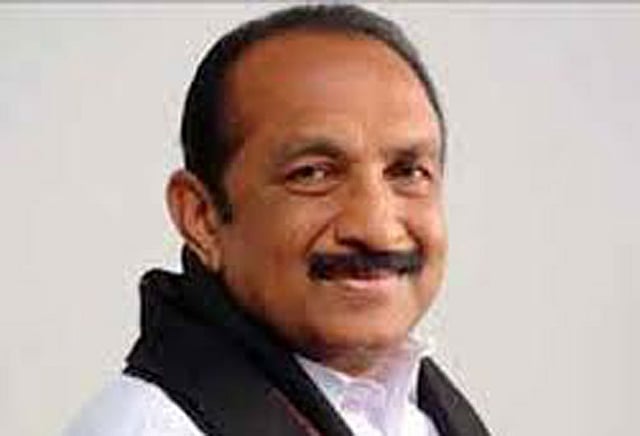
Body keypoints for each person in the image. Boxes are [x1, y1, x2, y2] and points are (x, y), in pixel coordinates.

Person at [66, 4, 491, 436]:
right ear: (202, 217)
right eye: (313, 174)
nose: (377, 229)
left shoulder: (421, 416)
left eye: (408, 172)